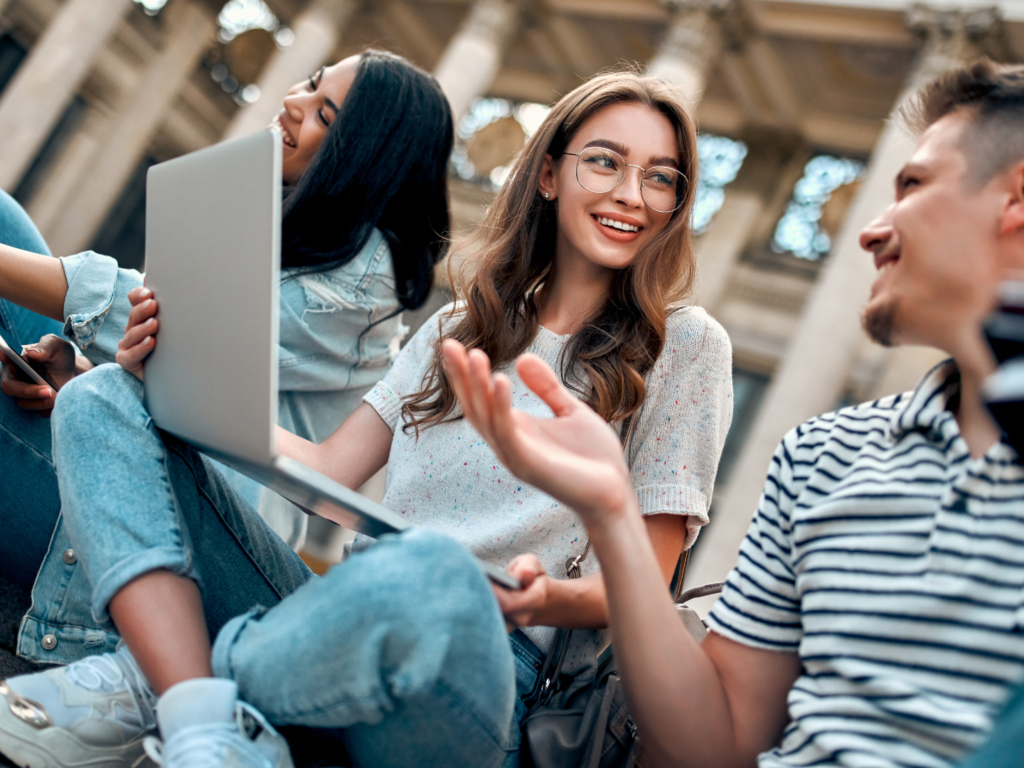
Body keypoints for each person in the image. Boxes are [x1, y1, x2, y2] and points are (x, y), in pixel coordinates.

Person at [0, 71, 732, 768]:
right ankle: (201, 719)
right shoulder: (457, 325)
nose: (632, 194)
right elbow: (323, 471)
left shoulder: (686, 346)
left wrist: (536, 597)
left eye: (662, 177)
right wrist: (150, 395)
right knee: (104, 399)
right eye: (605, 162)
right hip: (342, 607)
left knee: (436, 567)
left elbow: (642, 586)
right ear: (547, 175)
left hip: (487, 673)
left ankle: (153, 680)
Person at [446, 58, 1024, 768]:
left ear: (1016, 198)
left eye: (911, 186)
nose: (869, 231)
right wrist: (615, 519)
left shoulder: (692, 347)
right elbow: (710, 748)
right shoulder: (821, 455)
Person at [0, 47, 453, 575]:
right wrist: (80, 372)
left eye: (324, 114)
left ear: (363, 159)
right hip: (148, 437)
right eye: (309, 83)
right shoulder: (290, 213)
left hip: (201, 513)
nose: (292, 102)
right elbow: (183, 375)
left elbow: (170, 324)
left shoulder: (364, 278)